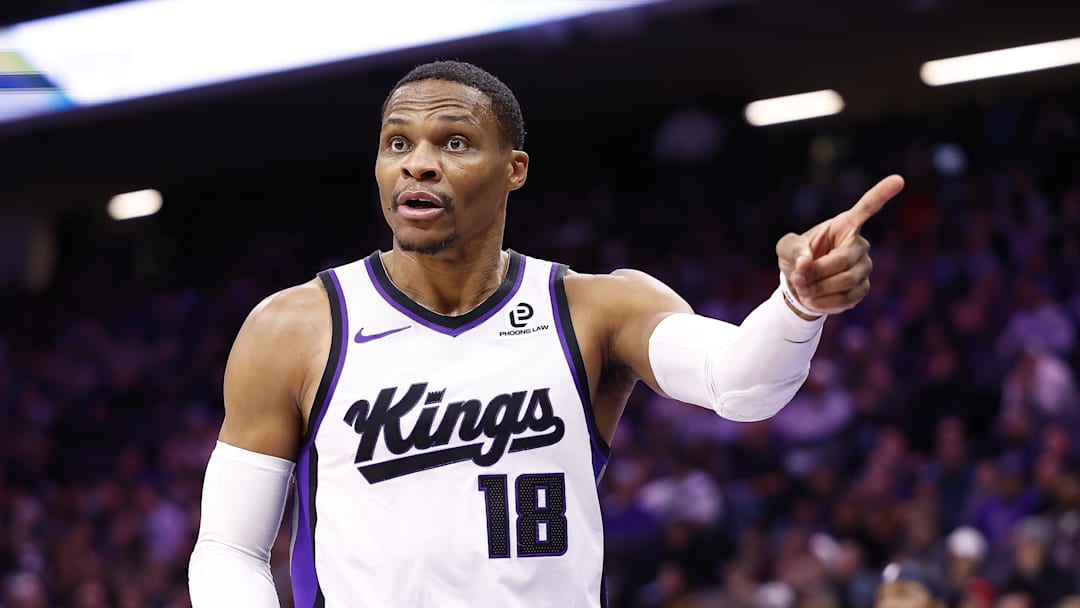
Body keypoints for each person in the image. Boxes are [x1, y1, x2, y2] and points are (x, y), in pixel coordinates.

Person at [187, 60, 904, 607]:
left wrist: (798, 303)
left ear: (514, 169)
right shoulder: (295, 327)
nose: (418, 162)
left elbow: (740, 384)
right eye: (397, 142)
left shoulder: (595, 308)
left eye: (454, 141)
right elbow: (228, 548)